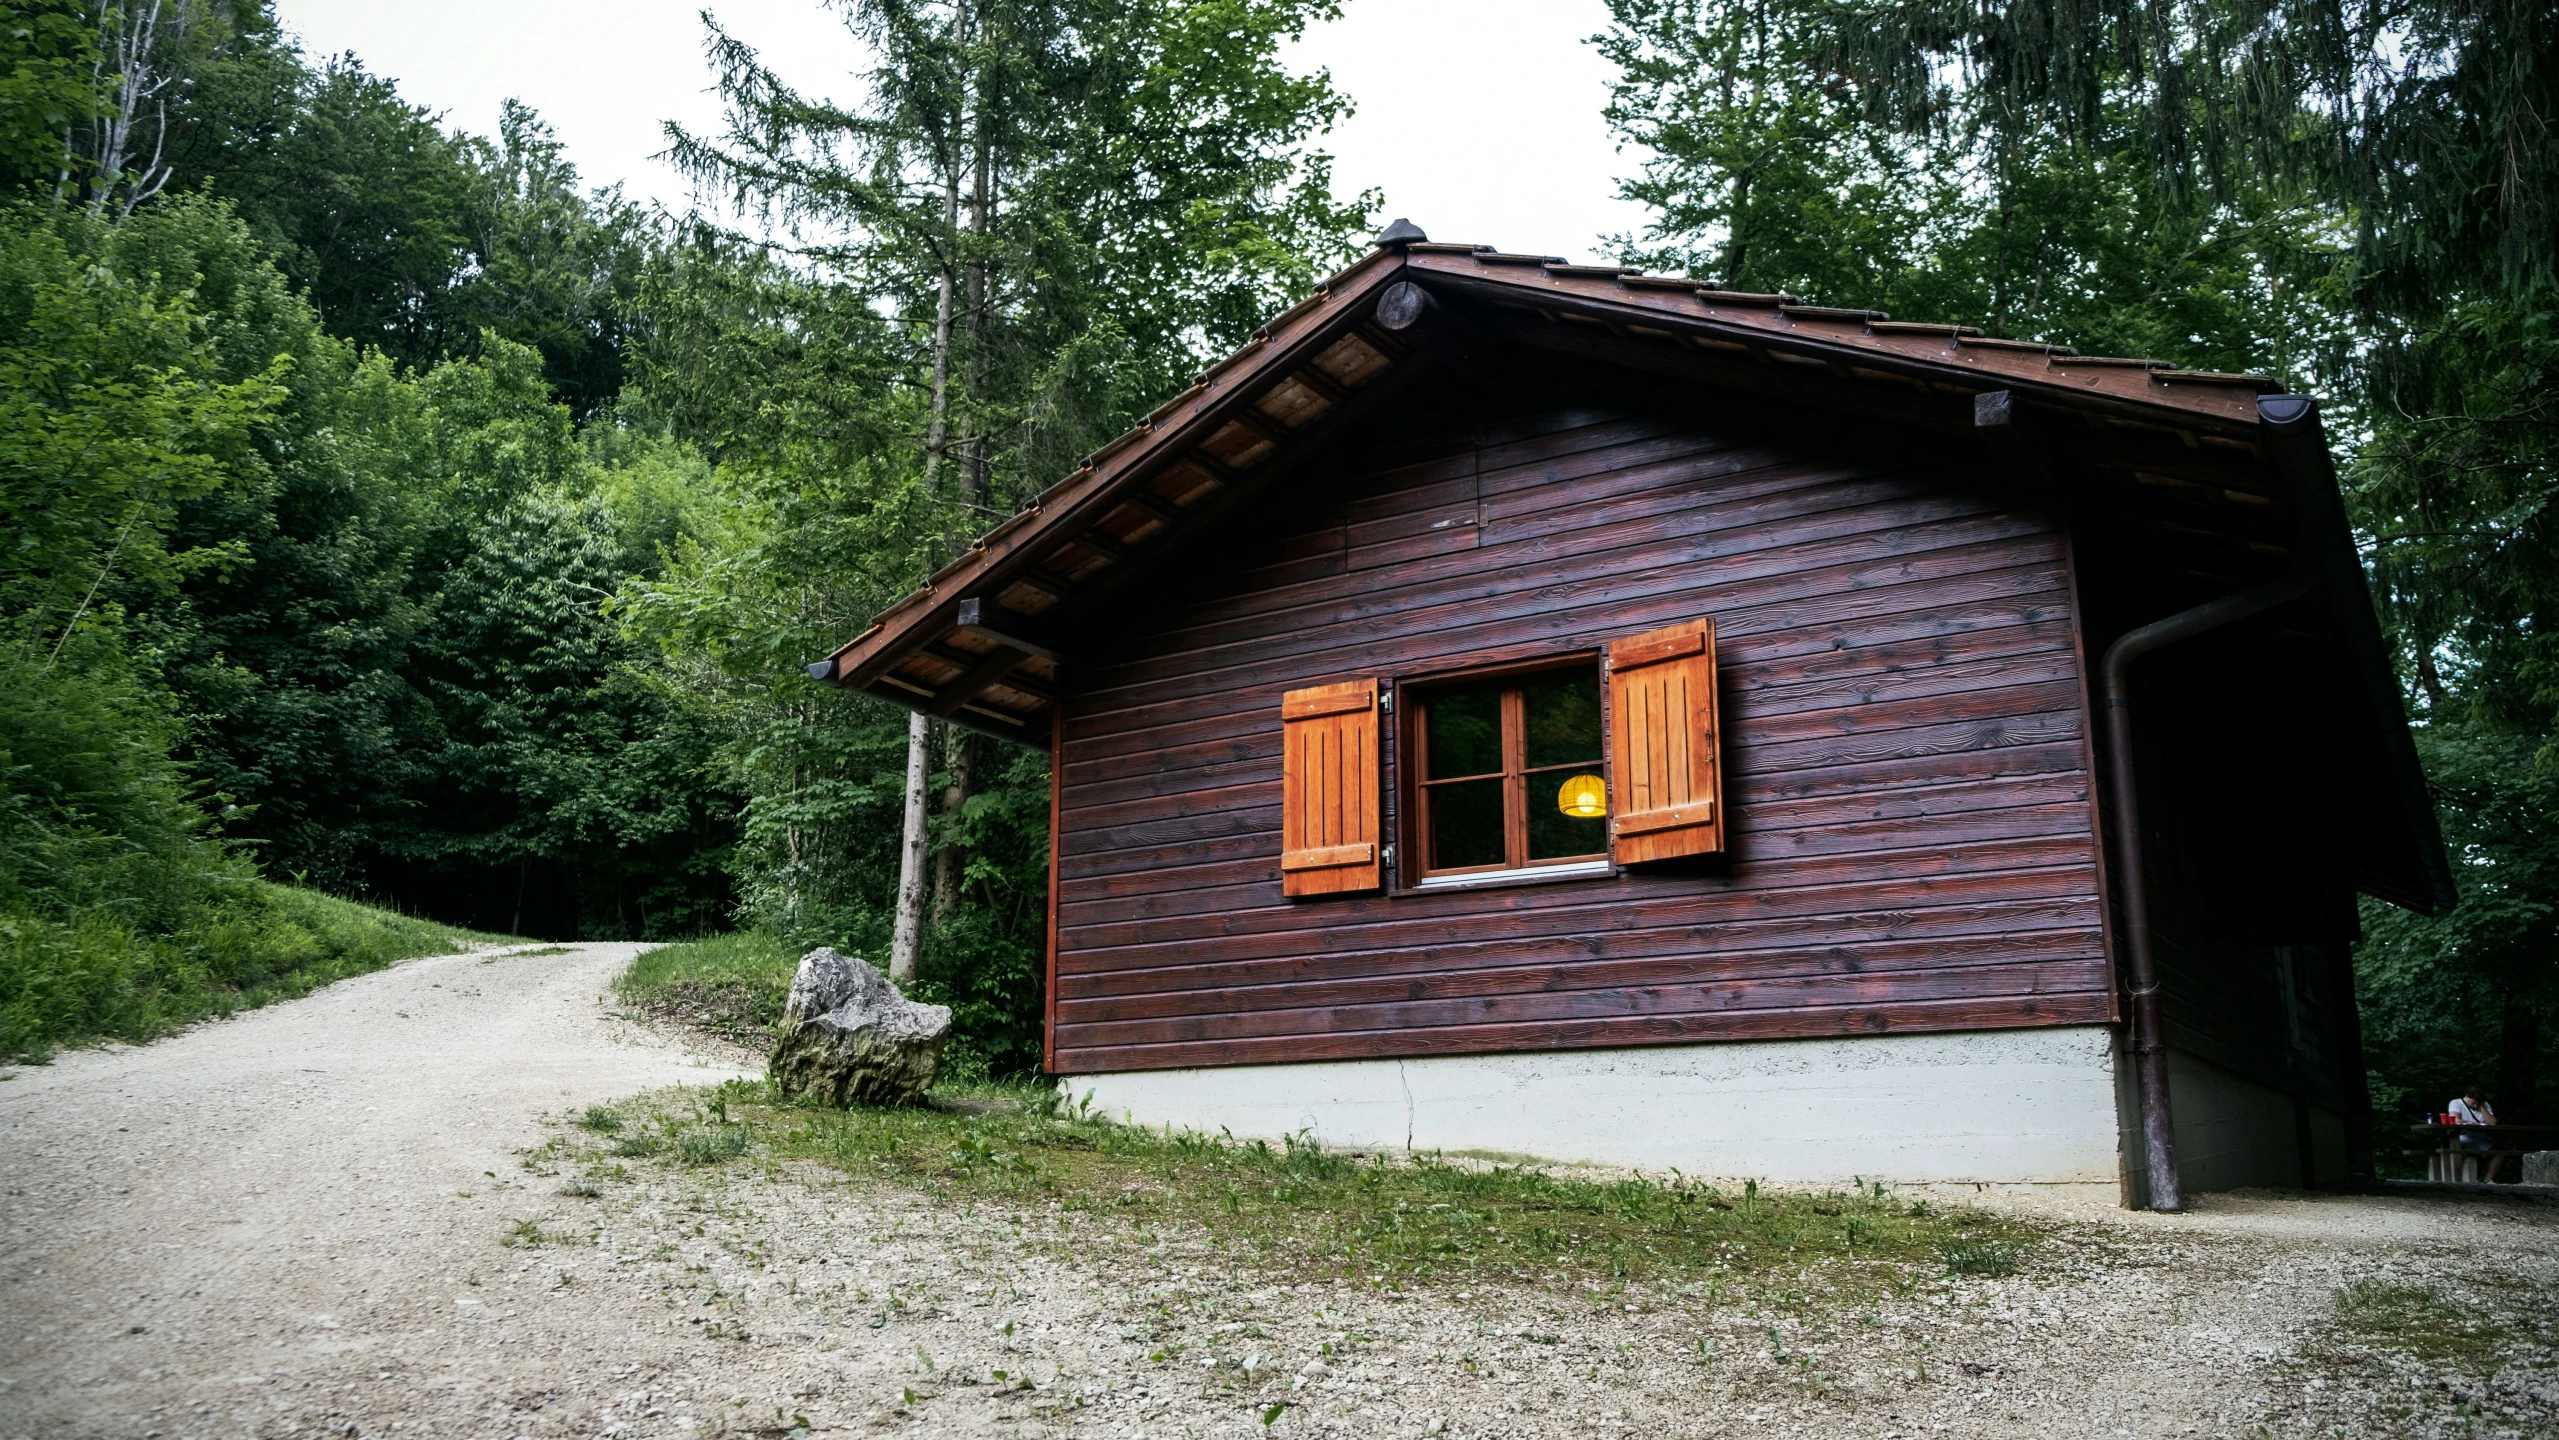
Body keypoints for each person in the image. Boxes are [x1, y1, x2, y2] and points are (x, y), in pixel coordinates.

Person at [2450, 1088, 2503, 1182]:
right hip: (2463, 1137)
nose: (2475, 1105)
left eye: (2477, 1103)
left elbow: (2492, 1123)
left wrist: (2482, 1106)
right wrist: (2475, 1124)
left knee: (2500, 1153)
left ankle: (2487, 1181)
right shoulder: (2456, 1103)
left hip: (2481, 1138)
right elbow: (2456, 1120)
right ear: (2467, 1097)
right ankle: (2457, 1179)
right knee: (2454, 1149)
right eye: (2473, 1102)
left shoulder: (2484, 1105)